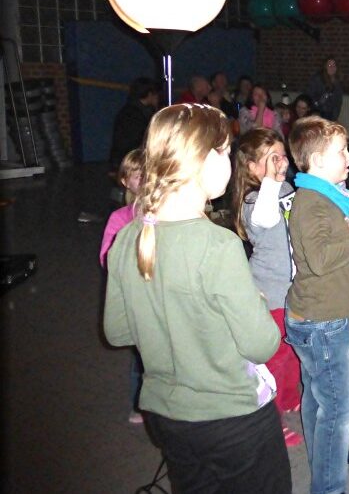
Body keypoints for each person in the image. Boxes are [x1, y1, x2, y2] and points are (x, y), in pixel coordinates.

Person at [103, 104, 290, 493]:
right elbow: (262, 343)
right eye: (224, 151)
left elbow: (118, 331)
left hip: (167, 417)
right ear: (201, 160)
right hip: (232, 420)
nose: (229, 160)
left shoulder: (127, 238)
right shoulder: (218, 245)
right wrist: (252, 302)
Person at [285, 115, 349, 494]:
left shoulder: (324, 197)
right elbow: (321, 259)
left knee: (317, 396)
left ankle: (325, 457)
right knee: (339, 407)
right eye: (342, 152)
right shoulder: (312, 203)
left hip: (320, 315)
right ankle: (329, 486)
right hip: (322, 320)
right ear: (318, 160)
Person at [233, 129, 304, 447]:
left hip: (296, 288)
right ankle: (271, 416)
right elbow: (265, 217)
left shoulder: (287, 187)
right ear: (252, 168)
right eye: (272, 158)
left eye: (283, 155)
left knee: (292, 350)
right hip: (271, 291)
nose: (282, 162)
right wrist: (273, 180)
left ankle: (288, 398)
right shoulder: (252, 201)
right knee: (273, 357)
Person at [99, 148, 146, 424]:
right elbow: (106, 257)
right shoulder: (119, 218)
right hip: (134, 297)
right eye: (135, 175)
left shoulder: (164, 213)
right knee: (140, 356)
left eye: (147, 175)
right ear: (125, 181)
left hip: (160, 295)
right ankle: (138, 404)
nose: (142, 180)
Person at [109, 77, 158, 173]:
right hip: (130, 163)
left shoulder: (129, 110)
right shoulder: (137, 115)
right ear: (149, 94)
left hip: (122, 161)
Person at [307, 56, 344, 122]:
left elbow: (338, 102)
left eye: (334, 65)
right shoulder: (317, 79)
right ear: (325, 67)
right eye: (329, 65)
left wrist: (334, 118)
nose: (332, 67)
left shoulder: (338, 82)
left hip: (331, 114)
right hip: (318, 112)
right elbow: (310, 96)